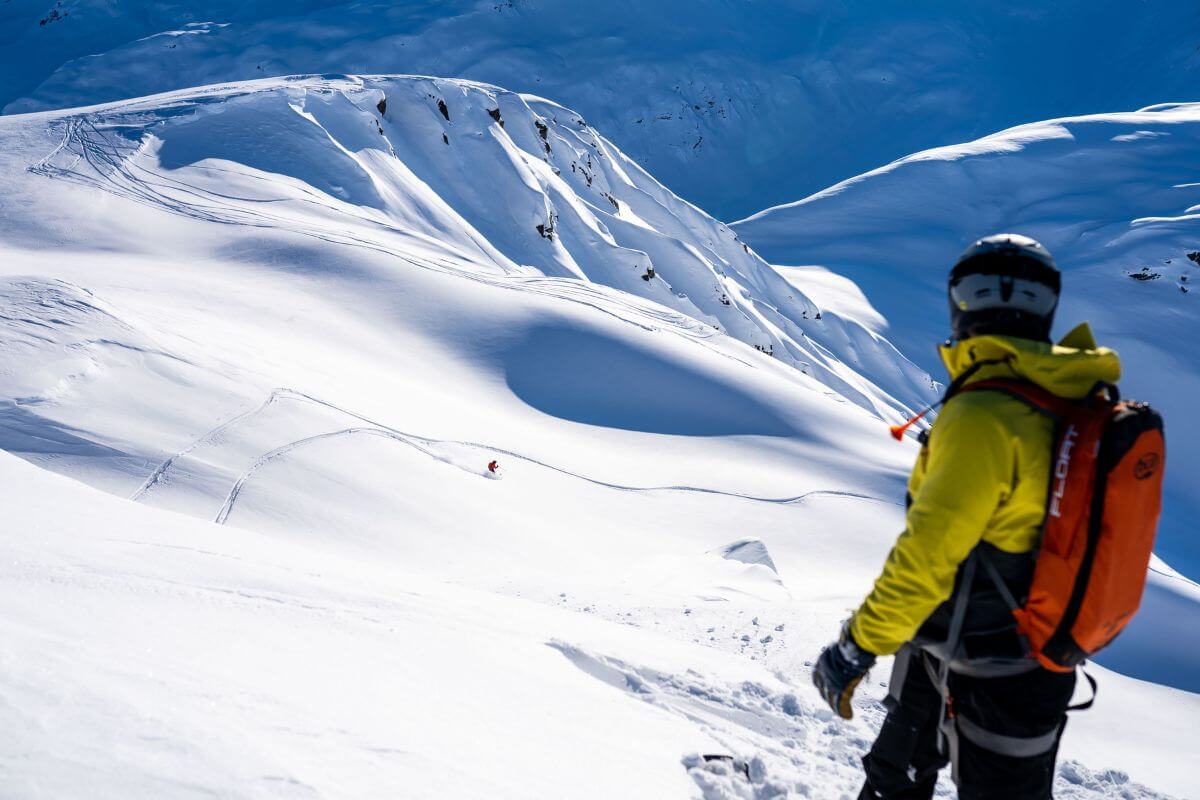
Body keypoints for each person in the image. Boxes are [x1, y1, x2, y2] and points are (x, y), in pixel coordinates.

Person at [812, 234, 1121, 799]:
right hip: (1008, 646)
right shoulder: (1066, 396)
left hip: (989, 654)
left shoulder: (986, 414)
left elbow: (927, 558)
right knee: (896, 771)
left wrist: (855, 647)